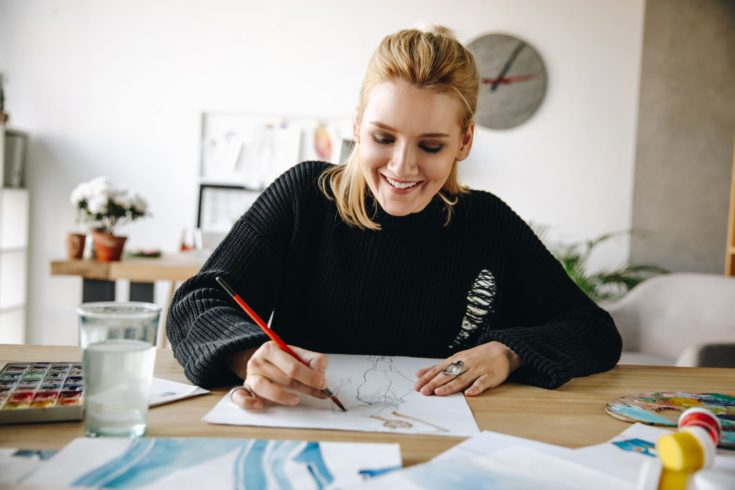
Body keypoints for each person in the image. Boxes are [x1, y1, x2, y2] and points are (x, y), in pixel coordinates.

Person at [168, 26, 622, 410]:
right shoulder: (304, 196)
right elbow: (197, 302)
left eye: (431, 146)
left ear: (464, 142)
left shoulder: (487, 222)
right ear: (357, 125)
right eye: (383, 137)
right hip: (304, 429)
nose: (402, 168)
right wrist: (247, 356)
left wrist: (508, 352)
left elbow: (592, 330)